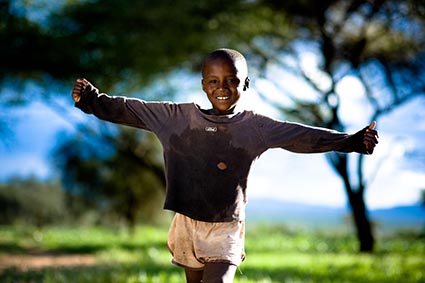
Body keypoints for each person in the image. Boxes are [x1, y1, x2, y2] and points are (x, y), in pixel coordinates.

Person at [71, 48, 379, 283]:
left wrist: (351, 141)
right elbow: (129, 110)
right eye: (214, 81)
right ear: (204, 84)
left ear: (245, 83)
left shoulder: (256, 127)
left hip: (227, 227)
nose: (223, 87)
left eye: (232, 80)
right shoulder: (175, 118)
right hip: (186, 224)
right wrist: (91, 100)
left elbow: (301, 136)